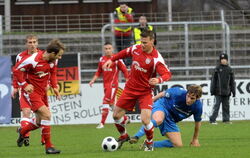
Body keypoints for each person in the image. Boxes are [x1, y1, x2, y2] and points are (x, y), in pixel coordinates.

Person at [103, 30, 172, 151]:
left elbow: (167, 74)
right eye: (141, 41)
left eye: (145, 42)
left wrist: (159, 80)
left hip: (145, 92)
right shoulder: (136, 48)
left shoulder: (156, 58)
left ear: (152, 41)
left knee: (145, 120)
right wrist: (112, 59)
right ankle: (124, 135)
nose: (142, 44)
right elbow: (124, 53)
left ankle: (149, 143)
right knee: (116, 115)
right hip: (130, 88)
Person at [13, 39, 65, 154]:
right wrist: (24, 84)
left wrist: (55, 87)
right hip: (31, 93)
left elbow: (53, 73)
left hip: (42, 92)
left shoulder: (53, 60)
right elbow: (16, 70)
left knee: (38, 122)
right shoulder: (33, 60)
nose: (60, 58)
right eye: (59, 55)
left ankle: (22, 132)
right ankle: (49, 147)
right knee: (47, 115)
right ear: (52, 54)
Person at [129, 85, 203, 148]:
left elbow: (197, 124)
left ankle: (149, 144)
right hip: (162, 106)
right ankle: (136, 136)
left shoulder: (198, 107)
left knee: (178, 145)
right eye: (188, 96)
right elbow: (163, 94)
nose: (188, 100)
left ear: (198, 98)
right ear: (187, 93)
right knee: (159, 119)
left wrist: (195, 139)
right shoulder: (178, 92)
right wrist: (150, 101)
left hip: (171, 119)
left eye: (192, 98)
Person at [12, 34, 45, 146]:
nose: (32, 44)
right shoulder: (20, 56)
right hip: (26, 89)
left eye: (34, 42)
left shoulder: (43, 55)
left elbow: (48, 71)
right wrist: (15, 87)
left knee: (41, 118)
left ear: (37, 43)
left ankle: (24, 131)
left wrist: (50, 84)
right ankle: (25, 137)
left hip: (40, 90)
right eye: (30, 42)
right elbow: (16, 72)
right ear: (26, 44)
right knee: (26, 112)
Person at [89, 42, 129, 129]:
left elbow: (125, 70)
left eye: (109, 48)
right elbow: (99, 71)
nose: (108, 50)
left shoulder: (117, 59)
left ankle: (102, 123)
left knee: (105, 102)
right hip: (106, 85)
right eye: (106, 49)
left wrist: (127, 80)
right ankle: (125, 118)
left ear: (112, 49)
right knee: (111, 104)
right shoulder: (102, 59)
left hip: (113, 85)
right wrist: (93, 80)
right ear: (104, 49)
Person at [209, 53, 236, 124]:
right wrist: (212, 90)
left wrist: (233, 91)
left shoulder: (230, 69)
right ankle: (212, 120)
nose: (223, 61)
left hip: (227, 92)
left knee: (226, 107)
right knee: (216, 106)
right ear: (220, 60)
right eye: (222, 59)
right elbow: (213, 81)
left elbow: (232, 82)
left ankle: (226, 120)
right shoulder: (217, 69)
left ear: (227, 60)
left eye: (224, 59)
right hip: (218, 92)